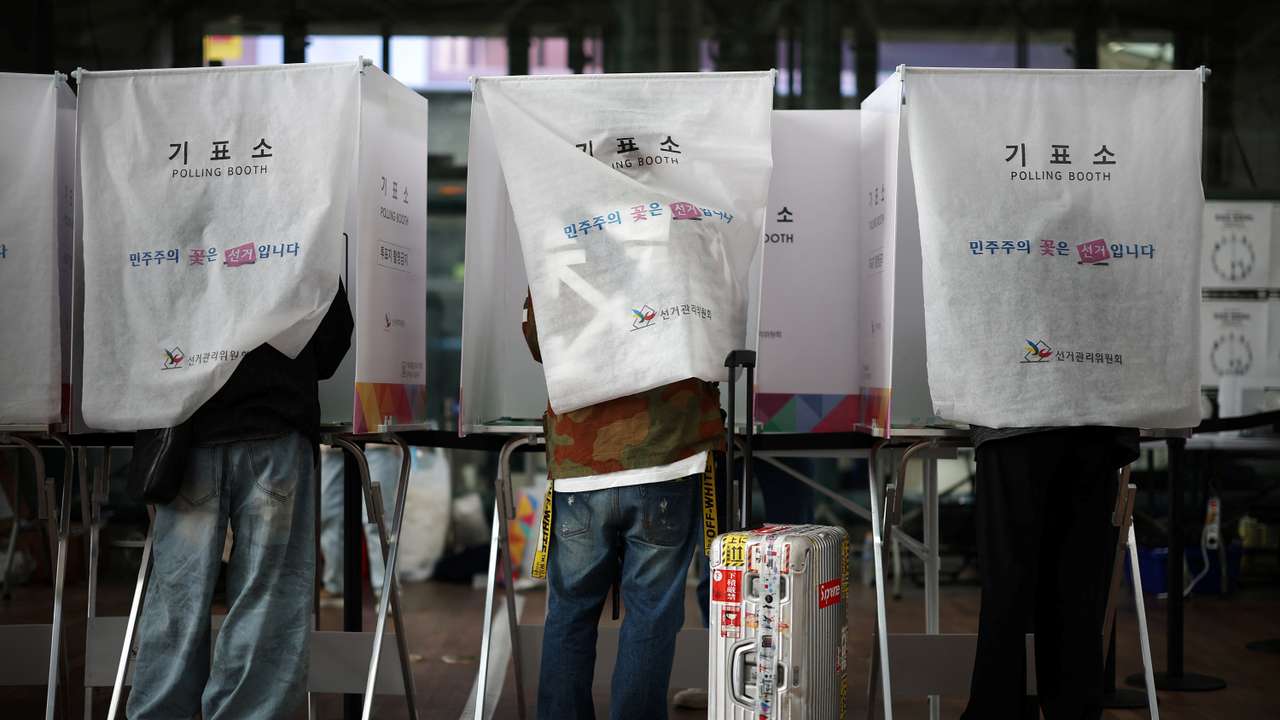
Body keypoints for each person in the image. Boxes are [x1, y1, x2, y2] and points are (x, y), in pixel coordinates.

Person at [127, 282, 352, 720]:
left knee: (178, 597)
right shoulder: (300, 222)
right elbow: (330, 341)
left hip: (185, 432)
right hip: (275, 427)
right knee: (267, 596)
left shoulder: (167, 219)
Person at [524, 291, 724, 720]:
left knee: (571, 609)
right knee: (651, 614)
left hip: (581, 458)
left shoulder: (559, 243)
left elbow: (540, 340)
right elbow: (717, 334)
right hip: (667, 454)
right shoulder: (686, 238)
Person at [962, 426, 1138, 720]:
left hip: (1014, 419)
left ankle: (998, 710)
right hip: (1093, 418)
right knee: (1079, 594)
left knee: (1009, 588)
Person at [318, 442, 404, 605]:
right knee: (328, 514)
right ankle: (335, 585)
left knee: (377, 519)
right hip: (333, 441)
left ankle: (386, 592)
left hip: (377, 440)